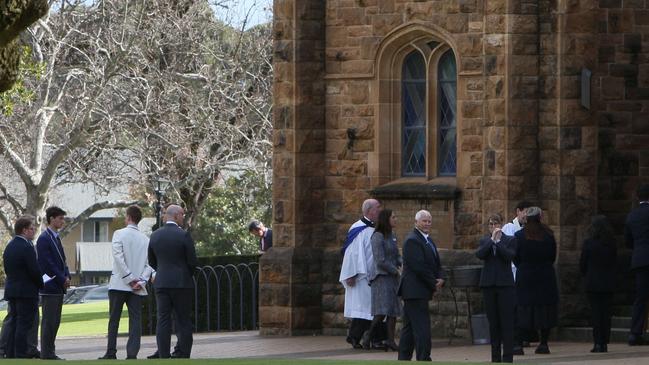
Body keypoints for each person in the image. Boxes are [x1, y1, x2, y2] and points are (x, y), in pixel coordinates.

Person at [98, 206, 155, 360]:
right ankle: (132, 354)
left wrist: (129, 278)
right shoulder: (146, 239)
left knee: (114, 319)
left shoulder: (119, 234)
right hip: (137, 287)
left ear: (128, 217)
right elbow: (150, 264)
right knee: (135, 320)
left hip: (119, 283)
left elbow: (118, 257)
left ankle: (111, 352)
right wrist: (141, 280)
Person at [148, 204, 198, 358]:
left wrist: (162, 271)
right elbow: (192, 262)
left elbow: (151, 261)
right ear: (176, 216)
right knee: (183, 319)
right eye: (182, 215)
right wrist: (186, 274)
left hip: (162, 282)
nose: (183, 218)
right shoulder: (183, 235)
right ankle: (183, 353)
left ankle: (163, 354)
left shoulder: (155, 235)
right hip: (181, 283)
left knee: (163, 319)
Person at [398, 210, 445, 361]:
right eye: (424, 221)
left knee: (409, 328)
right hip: (414, 291)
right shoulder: (412, 240)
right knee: (421, 328)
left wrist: (441, 278)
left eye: (429, 221)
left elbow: (436, 263)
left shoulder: (428, 240)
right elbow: (419, 267)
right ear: (416, 222)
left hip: (421, 290)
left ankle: (403, 358)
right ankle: (424, 358)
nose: (427, 224)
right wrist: (433, 283)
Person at [513, 207, 558, 355]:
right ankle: (543, 343)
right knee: (544, 309)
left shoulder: (519, 236)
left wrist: (524, 267)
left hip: (526, 275)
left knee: (523, 308)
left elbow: (516, 257)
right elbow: (552, 256)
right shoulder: (548, 235)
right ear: (540, 217)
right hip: (545, 275)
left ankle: (519, 344)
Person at [339, 198, 382, 349]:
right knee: (364, 308)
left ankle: (371, 339)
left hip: (375, 274)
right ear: (369, 211)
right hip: (361, 276)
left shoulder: (377, 227)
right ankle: (355, 337)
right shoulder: (357, 228)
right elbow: (351, 254)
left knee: (373, 309)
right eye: (377, 208)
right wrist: (350, 274)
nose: (380, 210)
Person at [476, 213, 516, 363]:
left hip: (505, 285)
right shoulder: (485, 240)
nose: (493, 227)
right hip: (489, 285)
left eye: (496, 224)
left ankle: (508, 358)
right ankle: (495, 358)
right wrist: (491, 241)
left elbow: (509, 256)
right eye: (490, 224)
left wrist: (498, 242)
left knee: (506, 322)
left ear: (501, 224)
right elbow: (480, 254)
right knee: (493, 323)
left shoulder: (510, 240)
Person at [2, 216, 43, 358]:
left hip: (12, 289)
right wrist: (41, 284)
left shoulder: (10, 246)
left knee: (13, 322)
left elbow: (8, 269)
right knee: (24, 323)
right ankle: (20, 353)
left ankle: (11, 352)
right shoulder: (27, 246)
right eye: (32, 228)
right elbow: (34, 270)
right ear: (24, 230)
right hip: (26, 292)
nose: (33, 231)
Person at [36, 206, 71, 360]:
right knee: (49, 321)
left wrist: (67, 275)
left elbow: (62, 260)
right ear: (51, 219)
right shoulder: (44, 238)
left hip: (58, 286)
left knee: (55, 321)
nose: (62, 221)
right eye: (60, 218)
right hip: (50, 286)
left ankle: (51, 352)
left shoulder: (56, 237)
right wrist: (62, 279)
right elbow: (48, 264)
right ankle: (46, 353)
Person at [365, 209, 402, 351]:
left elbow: (396, 254)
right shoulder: (377, 236)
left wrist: (401, 262)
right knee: (381, 311)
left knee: (393, 310)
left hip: (392, 277)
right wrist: (395, 270)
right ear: (386, 219)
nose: (395, 219)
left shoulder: (392, 235)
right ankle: (368, 336)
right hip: (381, 277)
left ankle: (391, 340)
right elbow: (380, 260)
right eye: (393, 217)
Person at [580, 215, 617, 353]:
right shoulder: (611, 243)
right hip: (608, 282)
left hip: (593, 282)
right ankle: (605, 342)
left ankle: (597, 343)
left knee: (596, 313)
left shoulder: (589, 243)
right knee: (606, 314)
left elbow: (583, 263)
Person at [625, 183, 649, 346]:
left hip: (640, 259)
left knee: (641, 298)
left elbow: (628, 241)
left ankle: (635, 332)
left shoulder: (632, 215)